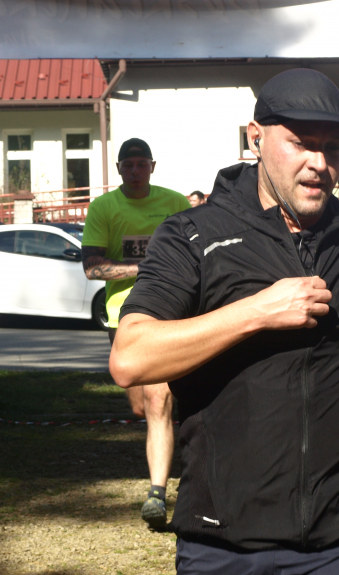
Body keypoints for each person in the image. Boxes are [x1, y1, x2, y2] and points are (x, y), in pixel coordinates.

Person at [110, 69, 339, 575]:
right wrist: (255, 312)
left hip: (337, 538)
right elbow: (131, 357)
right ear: (255, 138)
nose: (319, 163)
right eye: (301, 143)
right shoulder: (193, 233)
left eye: (333, 148)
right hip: (221, 539)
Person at [81, 138, 191, 529]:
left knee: (159, 401)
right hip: (122, 315)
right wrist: (144, 269)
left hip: (169, 310)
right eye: (128, 165)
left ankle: (157, 494)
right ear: (119, 169)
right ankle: (173, 438)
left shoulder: (175, 202)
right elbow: (92, 268)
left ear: (152, 167)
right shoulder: (104, 207)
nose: (135, 171)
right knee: (142, 406)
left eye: (141, 164)